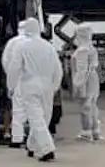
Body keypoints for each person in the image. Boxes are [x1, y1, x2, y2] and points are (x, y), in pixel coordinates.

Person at [7, 18, 63, 162]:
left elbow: (14, 68)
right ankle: (33, 146)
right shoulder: (48, 46)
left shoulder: (21, 46)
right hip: (47, 85)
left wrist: (11, 86)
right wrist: (55, 86)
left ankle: (46, 149)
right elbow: (58, 69)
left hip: (29, 85)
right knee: (44, 117)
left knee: (36, 118)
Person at [2, 20, 30, 147]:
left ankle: (17, 138)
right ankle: (35, 139)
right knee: (35, 111)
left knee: (18, 110)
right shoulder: (39, 43)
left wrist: (10, 84)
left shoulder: (12, 43)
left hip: (18, 81)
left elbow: (7, 63)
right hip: (34, 82)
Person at [71, 24, 102, 141]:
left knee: (85, 106)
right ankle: (95, 130)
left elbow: (81, 69)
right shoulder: (91, 48)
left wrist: (78, 85)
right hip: (93, 78)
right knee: (93, 105)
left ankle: (86, 131)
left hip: (86, 80)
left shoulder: (82, 50)